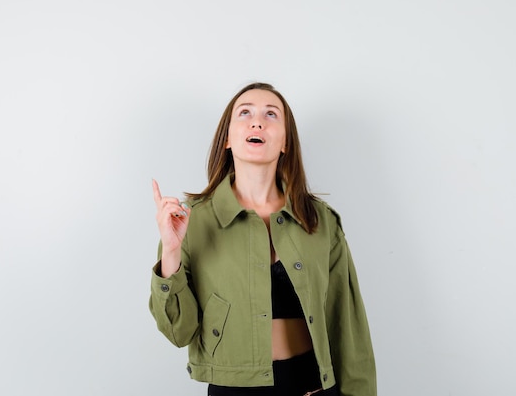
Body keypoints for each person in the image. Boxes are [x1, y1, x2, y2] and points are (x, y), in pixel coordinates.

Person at [150, 82, 376, 396]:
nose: (257, 121)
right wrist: (171, 253)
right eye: (245, 113)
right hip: (234, 389)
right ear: (227, 138)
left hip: (313, 386)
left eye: (271, 115)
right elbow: (179, 332)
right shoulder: (191, 220)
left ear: (285, 142)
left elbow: (348, 327)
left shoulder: (320, 221)